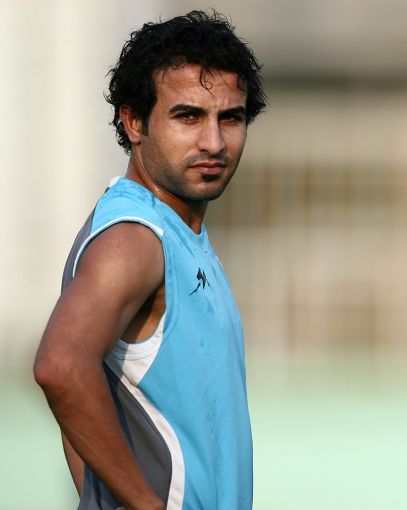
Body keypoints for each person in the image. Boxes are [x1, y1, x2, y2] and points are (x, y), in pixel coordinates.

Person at [33, 10, 265, 510]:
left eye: (230, 118)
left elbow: (82, 409)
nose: (213, 142)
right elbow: (61, 366)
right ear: (134, 121)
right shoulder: (134, 239)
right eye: (188, 116)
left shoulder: (175, 230)